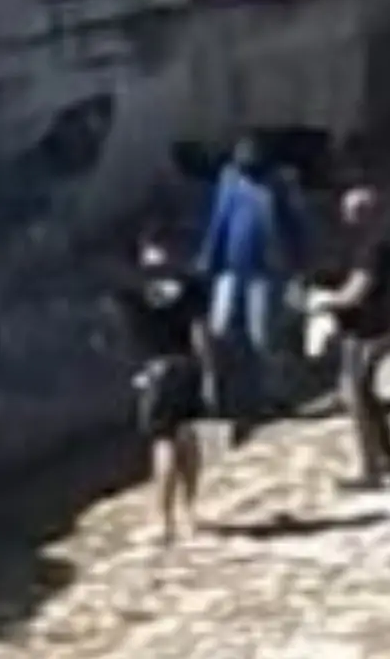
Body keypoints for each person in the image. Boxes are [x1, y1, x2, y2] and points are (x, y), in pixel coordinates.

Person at [110, 230, 213, 545]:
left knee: (163, 442)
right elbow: (201, 332)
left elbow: (126, 336)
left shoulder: (130, 290)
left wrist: (134, 370)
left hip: (156, 368)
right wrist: (208, 370)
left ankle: (163, 521)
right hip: (186, 363)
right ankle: (190, 511)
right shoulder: (191, 285)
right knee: (187, 435)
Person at [308, 186, 390, 490]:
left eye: (355, 211)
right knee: (362, 396)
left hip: (370, 332)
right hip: (363, 331)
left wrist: (324, 303)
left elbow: (356, 292)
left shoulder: (373, 250)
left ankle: (374, 468)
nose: (348, 217)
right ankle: (387, 459)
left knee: (358, 397)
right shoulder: (364, 246)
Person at [193, 134, 289, 444]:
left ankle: (272, 394)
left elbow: (292, 224)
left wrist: (298, 261)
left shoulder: (277, 185)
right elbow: (219, 220)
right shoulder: (229, 180)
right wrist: (209, 256)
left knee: (263, 336)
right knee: (219, 331)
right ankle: (219, 395)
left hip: (265, 270)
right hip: (230, 268)